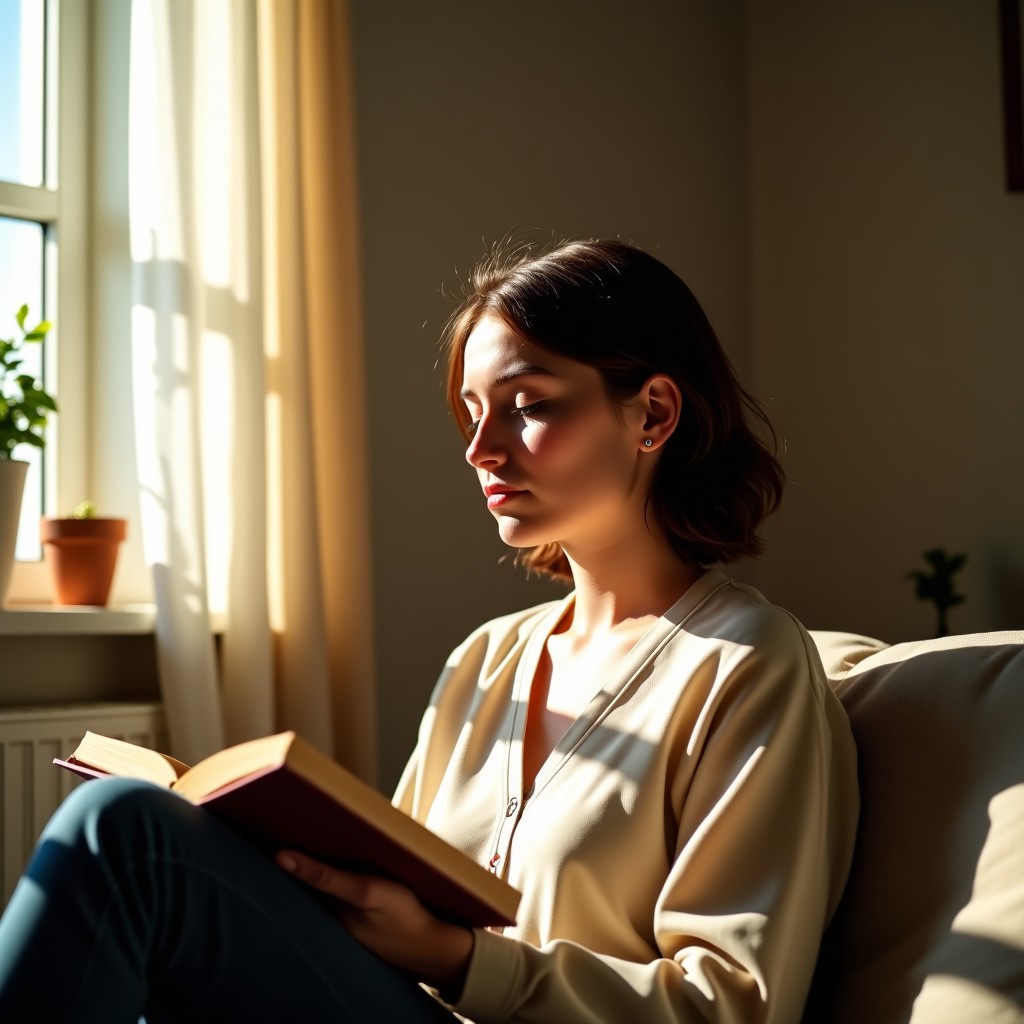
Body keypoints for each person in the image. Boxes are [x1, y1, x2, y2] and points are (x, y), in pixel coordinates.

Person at [0, 238, 858, 1023]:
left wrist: (459, 959)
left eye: (527, 405)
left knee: (124, 829)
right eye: (472, 411)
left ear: (654, 415)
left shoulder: (748, 664)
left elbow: (731, 1007)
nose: (481, 447)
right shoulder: (486, 660)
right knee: (146, 833)